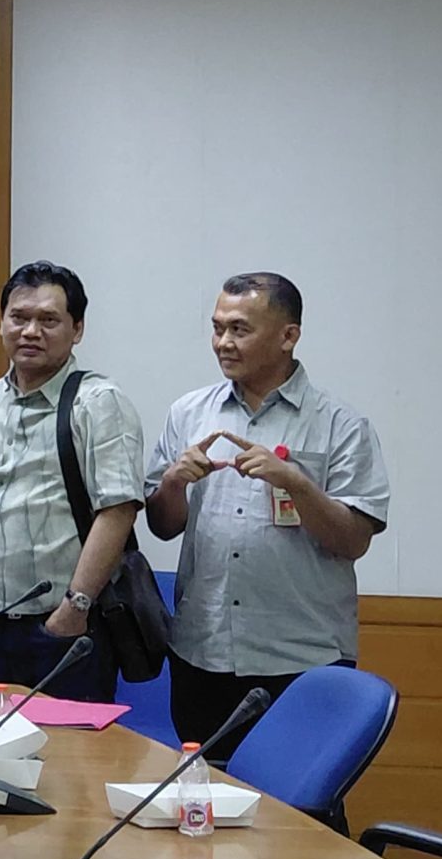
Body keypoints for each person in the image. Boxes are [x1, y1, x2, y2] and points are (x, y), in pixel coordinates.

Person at [146, 273, 390, 754]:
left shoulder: (341, 425)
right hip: (203, 652)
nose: (223, 343)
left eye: (239, 329)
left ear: (288, 336)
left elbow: (353, 541)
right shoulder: (189, 413)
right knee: (203, 789)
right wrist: (173, 483)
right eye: (217, 328)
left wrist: (296, 483)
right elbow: (163, 525)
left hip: (301, 659)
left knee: (294, 794)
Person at [0, 261, 140, 703]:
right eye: (19, 318)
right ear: (2, 323)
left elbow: (118, 511)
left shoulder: (98, 403)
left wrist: (74, 608)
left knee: (68, 747)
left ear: (77, 329)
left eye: (48, 320)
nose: (30, 332)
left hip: (65, 626)